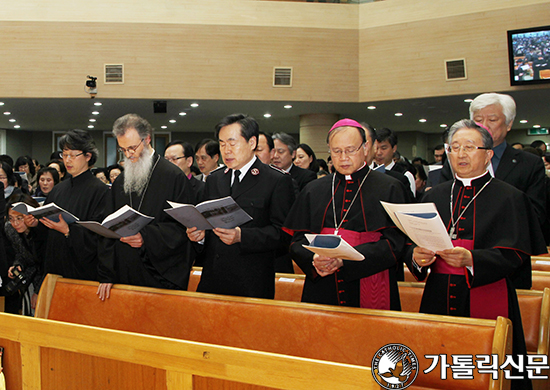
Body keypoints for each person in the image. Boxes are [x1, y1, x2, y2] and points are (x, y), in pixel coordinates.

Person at [407, 119, 546, 390]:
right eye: (454, 147)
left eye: (469, 147)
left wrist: (472, 260)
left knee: (492, 373)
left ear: (488, 154)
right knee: (439, 368)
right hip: (438, 293)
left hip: (488, 291)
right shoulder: (433, 196)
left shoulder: (510, 197)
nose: (460, 154)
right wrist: (417, 257)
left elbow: (516, 255)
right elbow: (412, 246)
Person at [284, 118, 408, 309]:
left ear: (365, 149)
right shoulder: (313, 189)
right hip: (322, 283)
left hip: (371, 280)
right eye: (337, 151)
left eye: (350, 150)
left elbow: (396, 244)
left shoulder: (390, 187)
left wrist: (346, 260)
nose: (343, 158)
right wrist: (314, 260)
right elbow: (296, 241)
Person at [440, 93, 546, 288]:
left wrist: (479, 254)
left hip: (508, 268)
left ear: (509, 124)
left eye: (493, 119)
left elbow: (536, 217)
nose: (484, 125)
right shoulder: (454, 162)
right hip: (455, 271)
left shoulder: (529, 164)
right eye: (478, 120)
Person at [187, 113, 295, 299]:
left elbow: (283, 235)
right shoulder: (214, 179)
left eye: (232, 143)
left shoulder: (275, 180)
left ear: (252, 143)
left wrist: (242, 236)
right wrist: (199, 237)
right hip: (213, 278)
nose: (226, 150)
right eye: (222, 144)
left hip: (251, 282)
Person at [97, 114, 195, 300]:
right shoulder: (120, 183)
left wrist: (146, 237)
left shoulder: (173, 177)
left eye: (133, 147)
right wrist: (107, 273)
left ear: (147, 139)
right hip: (124, 274)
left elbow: (184, 229)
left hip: (159, 276)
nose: (128, 155)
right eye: (123, 149)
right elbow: (107, 228)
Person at [41, 129, 109, 282]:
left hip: (82, 272)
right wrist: (34, 223)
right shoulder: (58, 189)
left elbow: (101, 235)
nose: (67, 160)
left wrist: (68, 231)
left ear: (88, 156)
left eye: (72, 155)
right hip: (54, 267)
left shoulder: (100, 191)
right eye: (64, 155)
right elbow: (44, 234)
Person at [4, 193, 48, 316]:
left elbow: (46, 263)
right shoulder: (10, 229)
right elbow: (20, 253)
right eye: (11, 218)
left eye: (19, 218)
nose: (15, 223)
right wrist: (18, 265)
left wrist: (39, 290)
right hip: (30, 279)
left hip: (47, 277)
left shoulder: (43, 230)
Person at [374, 127, 416, 197]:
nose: (379, 153)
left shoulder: (405, 175)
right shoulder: (370, 171)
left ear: (394, 148)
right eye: (376, 148)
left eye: (383, 148)